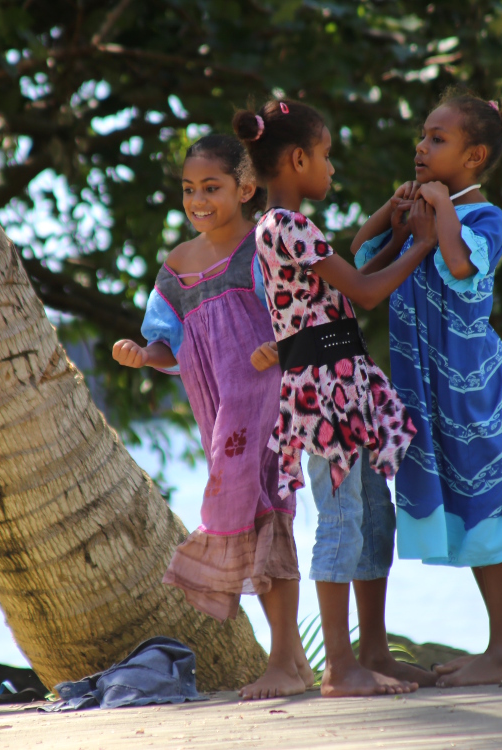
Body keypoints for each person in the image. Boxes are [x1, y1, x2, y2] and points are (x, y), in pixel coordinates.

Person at [234, 99, 438, 697]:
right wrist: (422, 244)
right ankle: (340, 666)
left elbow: (355, 276)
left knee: (374, 513)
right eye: (325, 157)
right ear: (297, 159)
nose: (331, 169)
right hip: (325, 391)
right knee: (343, 516)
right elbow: (369, 293)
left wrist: (397, 230)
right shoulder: (287, 227)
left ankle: (373, 650)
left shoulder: (287, 228)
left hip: (342, 381)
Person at [112, 135, 310, 700]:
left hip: (265, 401)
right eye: (189, 189)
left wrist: (284, 351)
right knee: (251, 519)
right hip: (220, 414)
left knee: (270, 512)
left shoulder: (260, 246)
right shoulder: (177, 265)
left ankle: (282, 662)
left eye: (212, 187)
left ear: (246, 188)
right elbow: (169, 342)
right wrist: (143, 353)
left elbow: (297, 314)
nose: (198, 199)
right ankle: (291, 660)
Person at [351, 90, 502, 687]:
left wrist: (439, 214)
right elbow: (360, 260)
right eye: (423, 135)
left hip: (473, 395)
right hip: (426, 398)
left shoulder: (484, 219)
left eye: (437, 139)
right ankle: (501, 649)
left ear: (475, 156)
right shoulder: (422, 216)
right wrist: (392, 213)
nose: (421, 147)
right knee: (468, 511)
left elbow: (459, 265)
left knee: (492, 509)